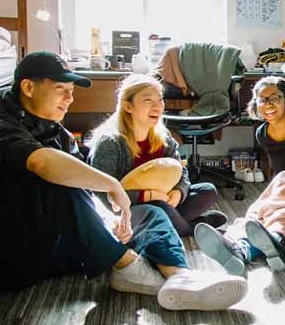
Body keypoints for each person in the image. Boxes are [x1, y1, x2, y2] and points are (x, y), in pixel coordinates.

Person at [0, 52, 247, 312]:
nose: (70, 98)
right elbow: (43, 164)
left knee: (150, 213)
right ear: (27, 87)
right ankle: (127, 264)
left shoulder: (57, 133)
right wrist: (112, 186)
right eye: (61, 89)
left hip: (45, 247)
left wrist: (111, 219)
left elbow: (88, 199)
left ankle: (180, 277)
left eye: (71, 90)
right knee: (62, 177)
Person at [196, 76, 285, 275]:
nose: (268, 104)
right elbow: (278, 171)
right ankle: (243, 250)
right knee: (261, 215)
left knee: (284, 182)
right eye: (262, 100)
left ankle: (273, 239)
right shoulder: (262, 134)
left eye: (274, 98)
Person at [87, 74, 226, 237]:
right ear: (128, 106)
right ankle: (191, 228)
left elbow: (181, 172)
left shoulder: (163, 136)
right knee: (159, 207)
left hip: (164, 200)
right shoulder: (109, 142)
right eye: (148, 100)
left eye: (160, 100)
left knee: (207, 190)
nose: (157, 107)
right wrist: (147, 196)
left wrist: (178, 191)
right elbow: (103, 193)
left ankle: (173, 224)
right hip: (129, 209)